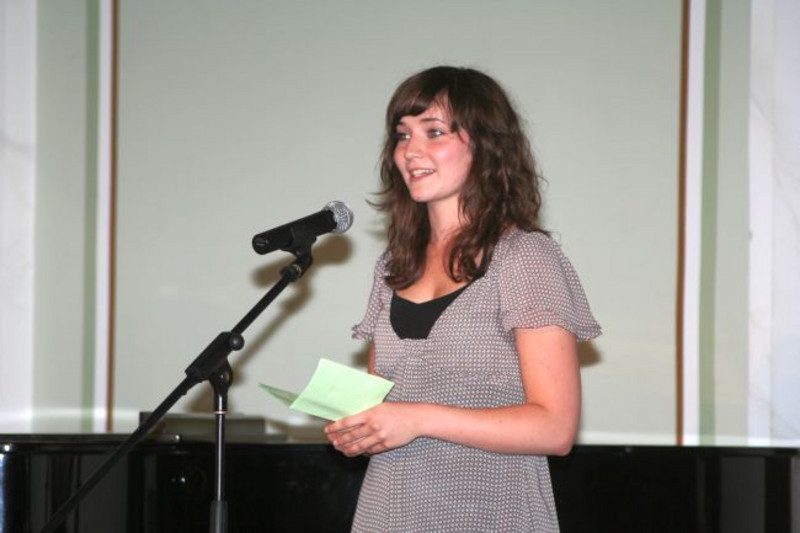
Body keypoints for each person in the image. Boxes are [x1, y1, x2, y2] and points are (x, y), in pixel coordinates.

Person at [325, 66, 601, 533]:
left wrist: (418, 419)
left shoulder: (524, 257)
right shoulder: (394, 267)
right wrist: (359, 430)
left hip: (490, 515)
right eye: (402, 135)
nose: (411, 151)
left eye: (434, 132)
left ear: (487, 146)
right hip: (386, 515)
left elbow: (555, 429)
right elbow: (385, 406)